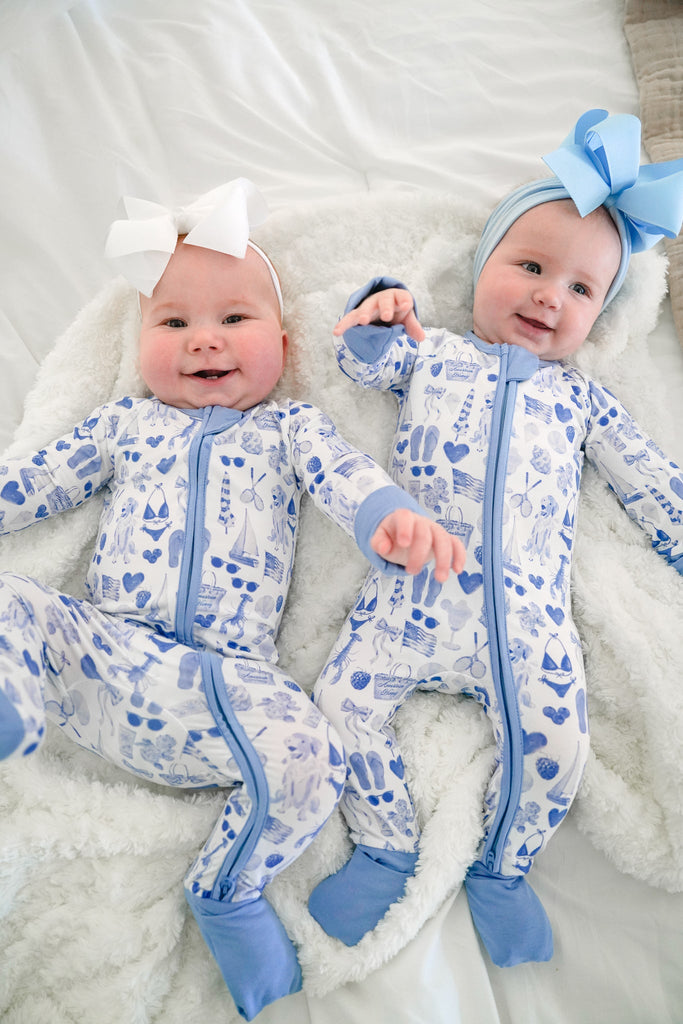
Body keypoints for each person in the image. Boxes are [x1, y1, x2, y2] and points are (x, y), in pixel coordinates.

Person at [0, 180, 464, 1021]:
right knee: (11, 600)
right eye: (172, 323)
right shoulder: (125, 425)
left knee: (313, 754)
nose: (202, 340)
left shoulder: (290, 430)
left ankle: (227, 888)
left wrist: (390, 518)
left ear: (283, 347)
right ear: (140, 342)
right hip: (105, 661)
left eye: (232, 321)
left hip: (227, 695)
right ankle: (12, 700)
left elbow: (347, 480)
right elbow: (33, 484)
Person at [307, 110, 683, 968]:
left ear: (600, 315)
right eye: (530, 267)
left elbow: (651, 482)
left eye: (581, 290)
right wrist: (380, 306)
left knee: (557, 747)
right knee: (339, 708)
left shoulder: (582, 403)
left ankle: (502, 867)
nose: (551, 295)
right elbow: (359, 360)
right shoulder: (431, 354)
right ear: (482, 270)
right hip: (408, 593)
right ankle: (384, 843)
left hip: (524, 621)